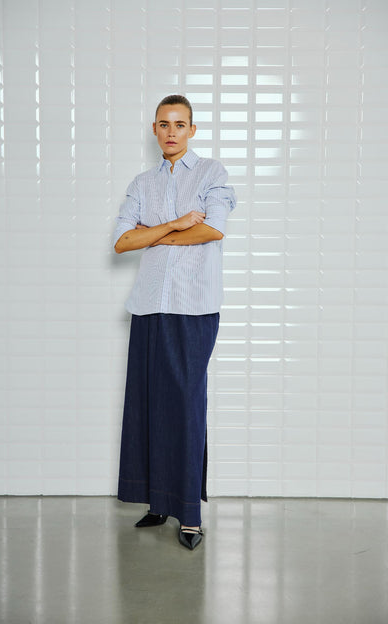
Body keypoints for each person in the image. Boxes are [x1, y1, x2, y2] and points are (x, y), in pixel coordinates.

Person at [113, 94, 236, 550]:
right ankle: (158, 502)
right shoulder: (142, 183)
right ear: (154, 129)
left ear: (192, 130)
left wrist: (154, 234)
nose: (171, 132)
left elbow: (213, 229)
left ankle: (189, 514)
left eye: (179, 124)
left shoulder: (211, 173)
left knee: (184, 405)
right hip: (149, 306)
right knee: (148, 404)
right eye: (164, 124)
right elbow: (123, 241)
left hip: (194, 307)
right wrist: (177, 223)